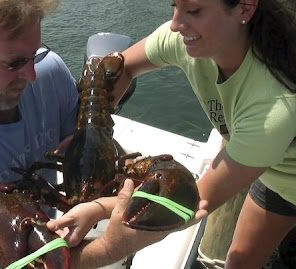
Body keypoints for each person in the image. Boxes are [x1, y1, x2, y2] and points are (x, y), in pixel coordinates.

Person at [0, 0, 207, 268]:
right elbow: (8, 265)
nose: (32, 75)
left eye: (34, 54)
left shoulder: (48, 71)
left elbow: (87, 142)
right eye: (15, 62)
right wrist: (113, 246)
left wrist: (126, 194)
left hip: (54, 236)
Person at [47, 0, 296, 268]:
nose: (176, 24)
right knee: (240, 262)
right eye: (175, 6)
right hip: (273, 172)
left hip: (288, 176)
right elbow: (123, 66)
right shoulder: (185, 41)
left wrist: (99, 209)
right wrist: (93, 132)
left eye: (194, 11)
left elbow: (192, 200)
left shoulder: (274, 107)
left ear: (245, 9)